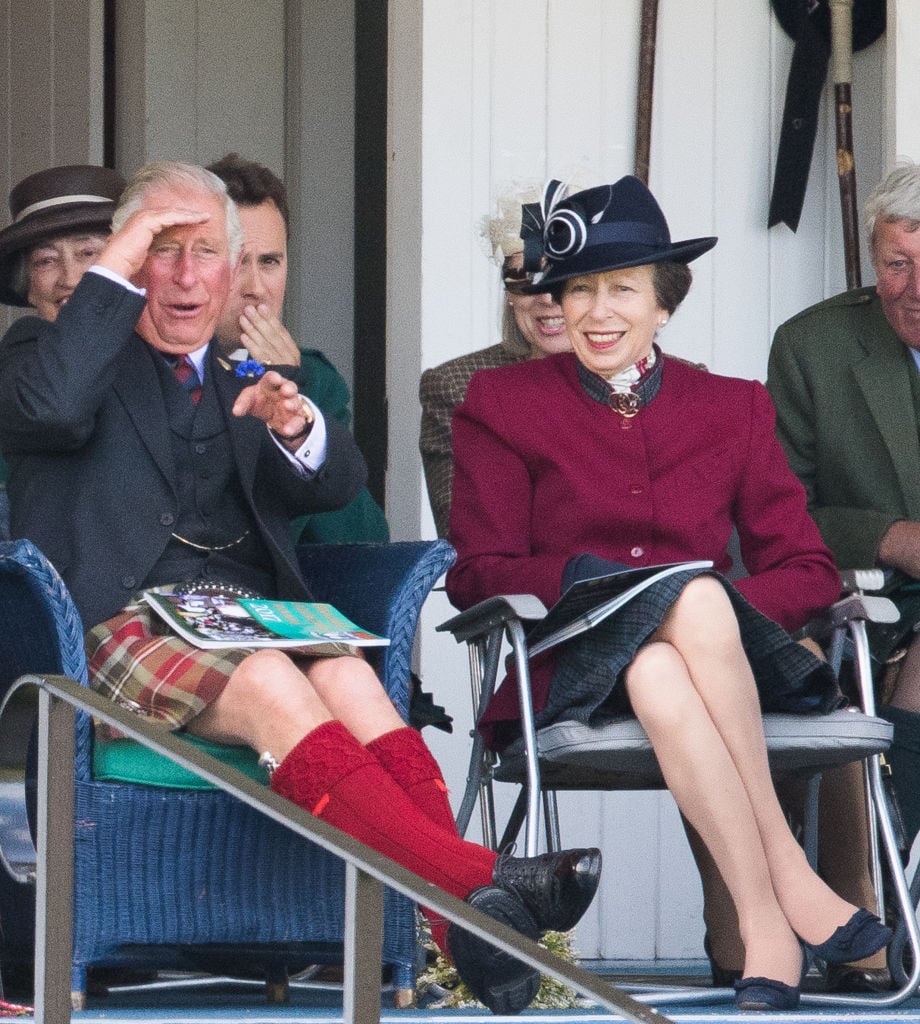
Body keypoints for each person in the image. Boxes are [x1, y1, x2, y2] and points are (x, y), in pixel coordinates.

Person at [0, 160, 600, 1016]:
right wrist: (123, 246)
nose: (182, 274)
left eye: (204, 252)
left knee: (353, 676)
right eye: (159, 253)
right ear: (131, 265)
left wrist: (299, 425)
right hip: (118, 621)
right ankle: (479, 884)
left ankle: (457, 924)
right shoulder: (56, 352)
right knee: (275, 680)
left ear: (232, 271)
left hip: (242, 614)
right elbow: (53, 409)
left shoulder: (245, 369)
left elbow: (334, 484)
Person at [446, 175, 892, 1011]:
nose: (597, 311)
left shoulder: (734, 409)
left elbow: (806, 567)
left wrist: (713, 615)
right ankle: (791, 877)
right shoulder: (501, 406)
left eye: (622, 289)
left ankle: (765, 926)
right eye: (579, 289)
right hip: (569, 659)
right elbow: (477, 571)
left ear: (664, 305)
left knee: (669, 653)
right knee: (687, 600)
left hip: (708, 667)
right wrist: (595, 583)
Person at [768, 159, 920, 866]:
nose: (916, 288)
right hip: (869, 603)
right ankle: (882, 899)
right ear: (873, 258)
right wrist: (888, 538)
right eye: (899, 264)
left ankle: (883, 899)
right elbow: (776, 516)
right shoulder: (814, 347)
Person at [206, 152, 388, 546]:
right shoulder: (164, 367)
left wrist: (294, 395)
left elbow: (364, 542)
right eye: (237, 263)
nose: (255, 286)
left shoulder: (315, 377)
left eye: (270, 261)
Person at [419, 185, 571, 538]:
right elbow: (466, 532)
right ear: (508, 294)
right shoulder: (459, 386)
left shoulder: (673, 379)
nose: (546, 297)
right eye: (524, 279)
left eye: (564, 279)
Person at [0, 163, 125, 494]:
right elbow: (60, 412)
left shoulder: (169, 352)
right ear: (28, 287)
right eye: (46, 261)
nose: (70, 279)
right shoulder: (23, 351)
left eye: (87, 253)